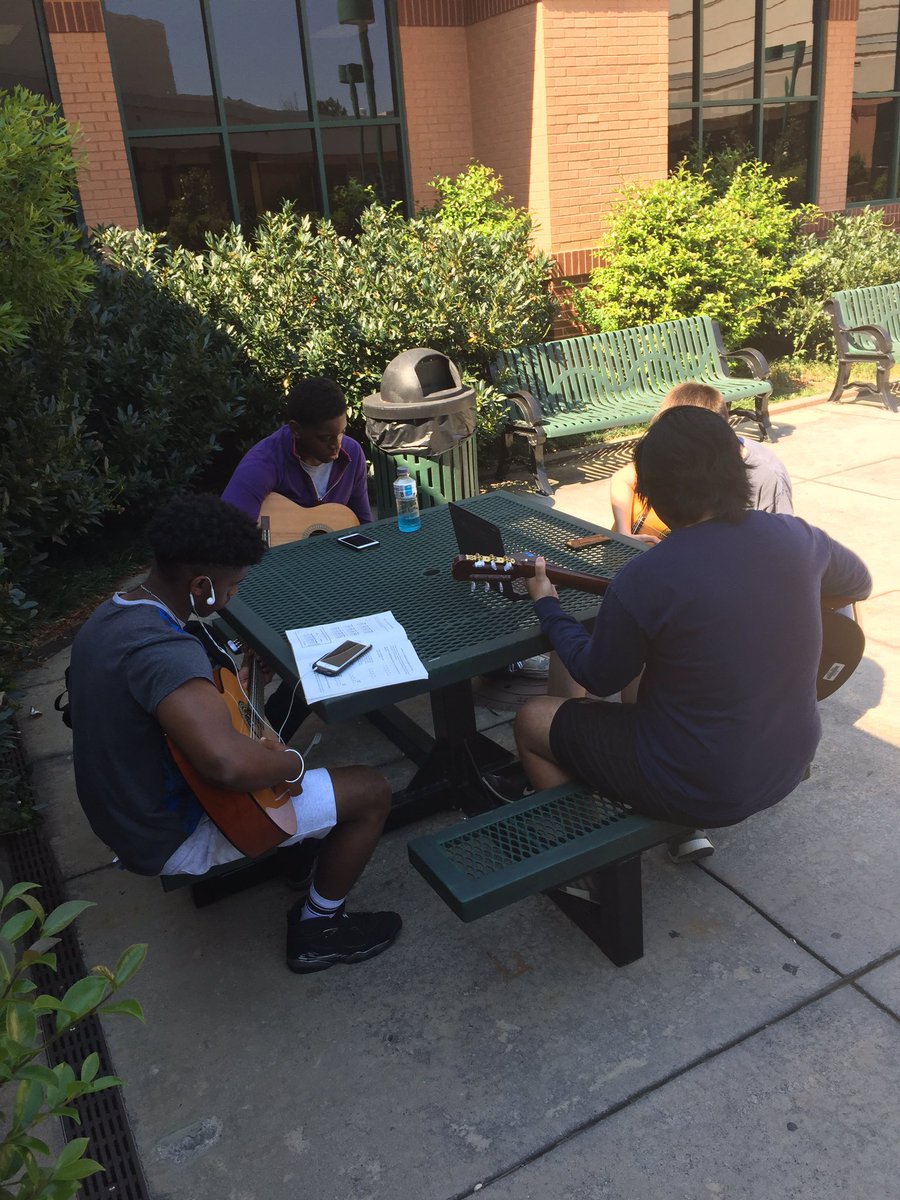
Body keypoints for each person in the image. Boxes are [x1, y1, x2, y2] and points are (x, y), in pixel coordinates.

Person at [68, 494, 400, 975]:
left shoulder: (116, 615)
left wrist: (225, 689)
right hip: (167, 834)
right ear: (200, 583)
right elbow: (227, 765)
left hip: (124, 813)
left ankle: (297, 854)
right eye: (231, 586)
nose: (231, 597)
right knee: (371, 791)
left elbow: (159, 708)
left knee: (271, 721)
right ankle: (318, 929)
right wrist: (292, 763)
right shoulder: (166, 651)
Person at [506, 407, 871, 844]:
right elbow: (860, 584)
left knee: (531, 719)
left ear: (653, 492)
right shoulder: (800, 537)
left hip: (697, 786)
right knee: (647, 674)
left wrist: (548, 605)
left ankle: (594, 859)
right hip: (787, 761)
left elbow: (597, 675)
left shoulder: (646, 576)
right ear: (737, 470)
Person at [609, 382, 792, 545]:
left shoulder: (767, 476)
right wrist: (624, 533)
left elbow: (780, 546)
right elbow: (622, 478)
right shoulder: (677, 455)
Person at [222, 376, 372, 525]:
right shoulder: (263, 463)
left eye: (341, 433)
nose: (337, 444)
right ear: (296, 430)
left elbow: (365, 525)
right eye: (325, 438)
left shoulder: (352, 453)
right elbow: (228, 528)